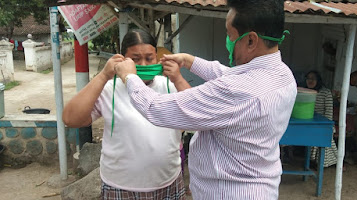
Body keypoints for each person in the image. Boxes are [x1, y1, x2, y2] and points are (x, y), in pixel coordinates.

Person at [109, 0, 297, 199]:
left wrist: (129, 77)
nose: (228, 41)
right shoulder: (283, 75)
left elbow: (157, 108)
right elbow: (230, 75)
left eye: (229, 35)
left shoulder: (235, 91)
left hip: (230, 193)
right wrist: (190, 61)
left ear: (251, 40)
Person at [62, 29, 187, 199]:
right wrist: (104, 75)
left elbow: (198, 114)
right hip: (121, 187)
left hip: (168, 183)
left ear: (157, 57)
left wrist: (178, 79)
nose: (143, 65)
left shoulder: (169, 85)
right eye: (135, 59)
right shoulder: (110, 89)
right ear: (122, 60)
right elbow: (71, 119)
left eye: (149, 58)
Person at [305, 70, 338, 168]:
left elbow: (328, 111)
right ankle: (327, 161)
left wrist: (327, 125)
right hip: (309, 123)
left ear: (318, 80)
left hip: (323, 122)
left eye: (313, 79)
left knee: (323, 135)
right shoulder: (304, 92)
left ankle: (320, 162)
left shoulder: (325, 92)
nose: (310, 81)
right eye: (308, 78)